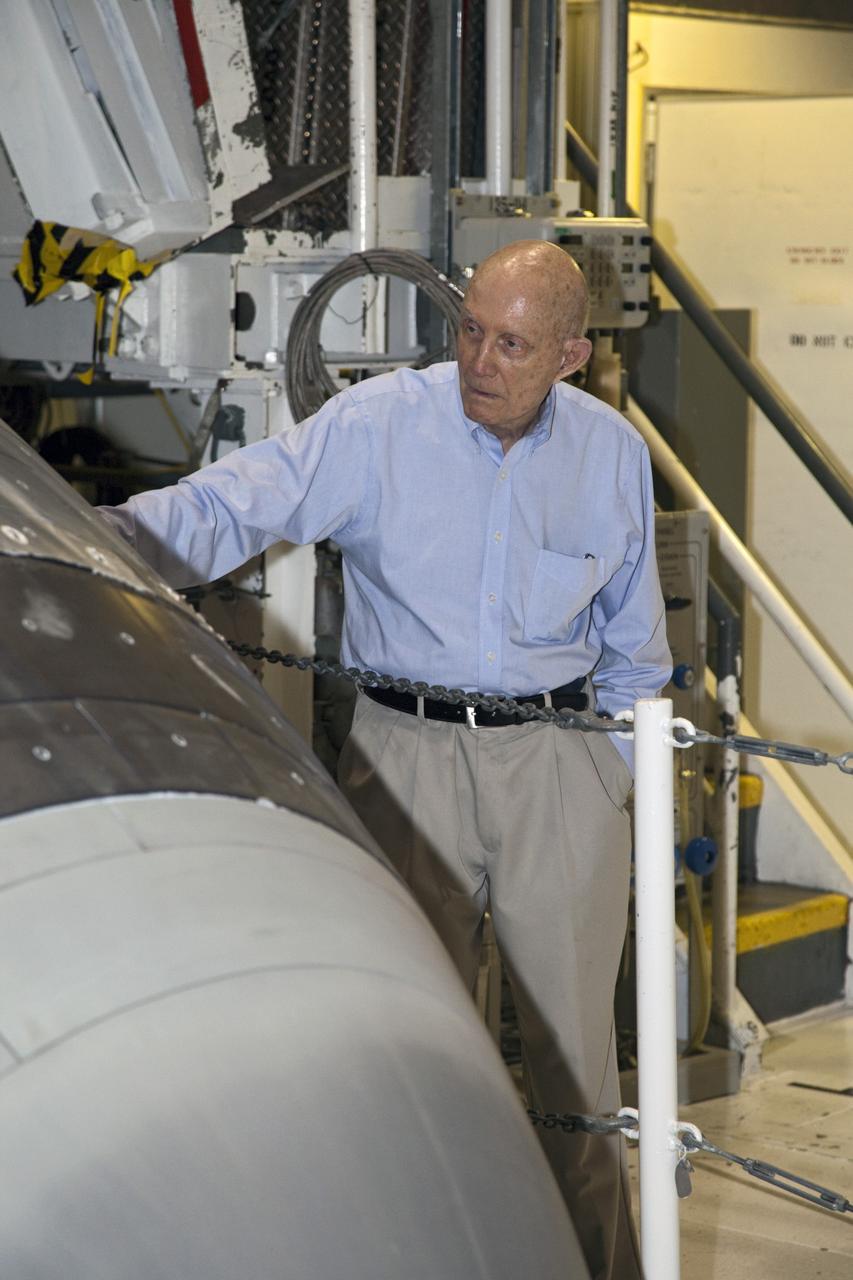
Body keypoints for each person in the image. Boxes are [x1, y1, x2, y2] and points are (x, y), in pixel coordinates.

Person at [99, 239, 670, 1279]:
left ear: (572, 356)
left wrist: (612, 788)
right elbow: (230, 503)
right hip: (403, 762)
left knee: (576, 1082)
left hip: (558, 768)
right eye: (468, 331)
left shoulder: (611, 456)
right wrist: (89, 548)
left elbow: (637, 656)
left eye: (511, 343)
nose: (478, 362)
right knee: (414, 1069)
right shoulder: (378, 426)